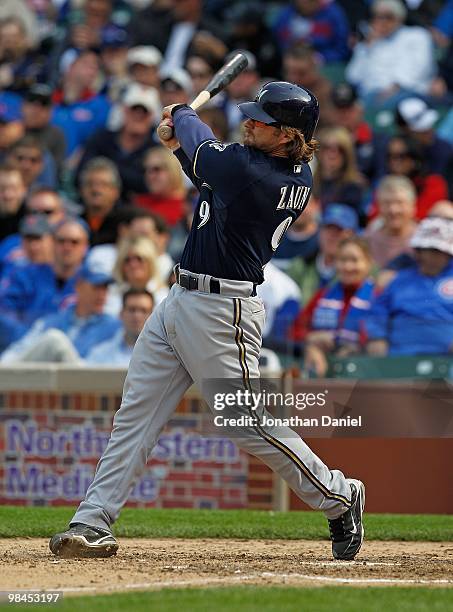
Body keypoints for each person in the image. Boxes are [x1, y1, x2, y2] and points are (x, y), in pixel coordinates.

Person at [49, 81, 365, 562]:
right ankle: (92, 520)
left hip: (224, 312)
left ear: (287, 137)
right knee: (135, 414)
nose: (250, 121)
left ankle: (339, 495)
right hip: (180, 297)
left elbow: (211, 155)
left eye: (262, 119)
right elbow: (209, 178)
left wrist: (180, 112)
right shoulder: (262, 165)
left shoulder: (261, 173)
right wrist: (179, 146)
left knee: (245, 423)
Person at [1, 258, 121, 363]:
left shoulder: (114, 326)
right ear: (78, 286)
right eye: (96, 288)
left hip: (89, 384)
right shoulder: (53, 321)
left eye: (105, 288)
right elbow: (20, 350)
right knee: (53, 338)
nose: (102, 295)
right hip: (46, 385)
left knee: (55, 340)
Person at [366, 217, 453, 356]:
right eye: (427, 249)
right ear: (417, 251)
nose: (432, 256)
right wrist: (378, 337)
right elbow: (378, 310)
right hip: (400, 358)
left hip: (448, 361)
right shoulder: (400, 279)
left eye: (437, 250)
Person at [294, 237, 374, 377]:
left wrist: (357, 348)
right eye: (343, 260)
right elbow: (294, 330)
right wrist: (310, 340)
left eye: (354, 260)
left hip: (364, 373)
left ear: (368, 263)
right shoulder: (323, 296)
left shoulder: (378, 298)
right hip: (324, 372)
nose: (348, 267)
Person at [345, 0, 436, 109]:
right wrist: (366, 47)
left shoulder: (417, 35)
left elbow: (420, 69)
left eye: (388, 17)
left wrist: (393, 88)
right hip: (371, 95)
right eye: (378, 17)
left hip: (407, 92)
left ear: (399, 17)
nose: (382, 21)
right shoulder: (371, 41)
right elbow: (352, 76)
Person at [86, 288, 154, 366]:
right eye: (132, 310)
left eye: (143, 311)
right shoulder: (99, 355)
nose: (137, 316)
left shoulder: (164, 355)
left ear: (153, 317)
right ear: (121, 314)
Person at [105, 235, 167, 315]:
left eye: (139, 258)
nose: (133, 264)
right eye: (127, 260)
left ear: (150, 262)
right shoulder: (110, 294)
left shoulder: (164, 296)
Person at [364, 175, 417, 268]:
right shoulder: (369, 239)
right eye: (387, 203)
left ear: (412, 206)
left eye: (400, 203)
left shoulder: (422, 240)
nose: (393, 210)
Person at [313, 127, 366, 219]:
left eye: (340, 149)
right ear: (319, 151)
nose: (332, 154)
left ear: (347, 155)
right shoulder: (309, 182)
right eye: (327, 148)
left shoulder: (354, 186)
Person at [134, 146, 187, 226]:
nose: (150, 176)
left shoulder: (192, 205)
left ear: (173, 169)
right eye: (146, 170)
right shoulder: (139, 204)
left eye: (156, 169)